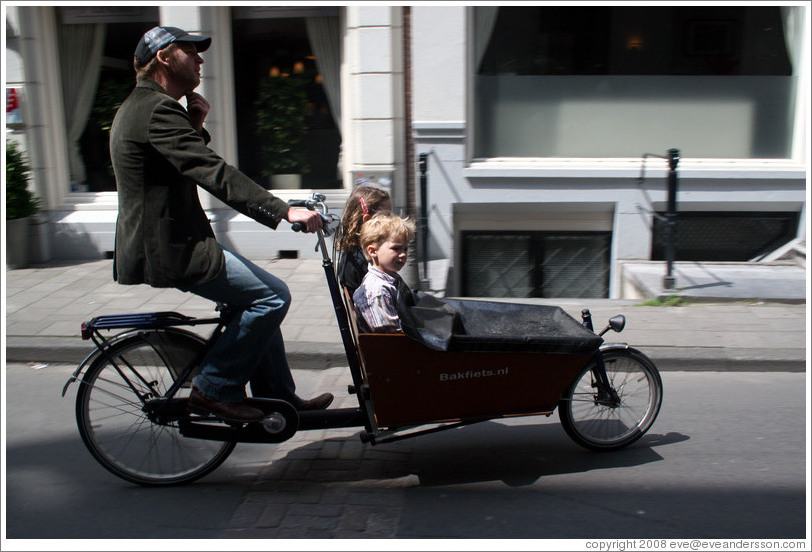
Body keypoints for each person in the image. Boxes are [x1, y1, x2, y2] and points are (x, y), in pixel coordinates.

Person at [110, 26, 333, 423]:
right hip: (172, 248)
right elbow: (212, 171)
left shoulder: (146, 107)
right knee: (272, 297)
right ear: (163, 57)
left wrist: (194, 122)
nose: (200, 59)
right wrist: (284, 211)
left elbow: (172, 167)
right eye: (190, 51)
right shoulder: (157, 110)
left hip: (170, 242)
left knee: (255, 300)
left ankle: (277, 397)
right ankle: (213, 389)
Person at [352, 213, 416, 333]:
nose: (403, 254)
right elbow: (391, 336)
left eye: (405, 249)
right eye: (396, 248)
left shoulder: (389, 276)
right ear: (372, 251)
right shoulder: (378, 291)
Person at [336, 186, 392, 296]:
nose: (391, 221)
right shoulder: (365, 260)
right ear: (367, 220)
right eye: (386, 216)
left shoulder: (355, 253)